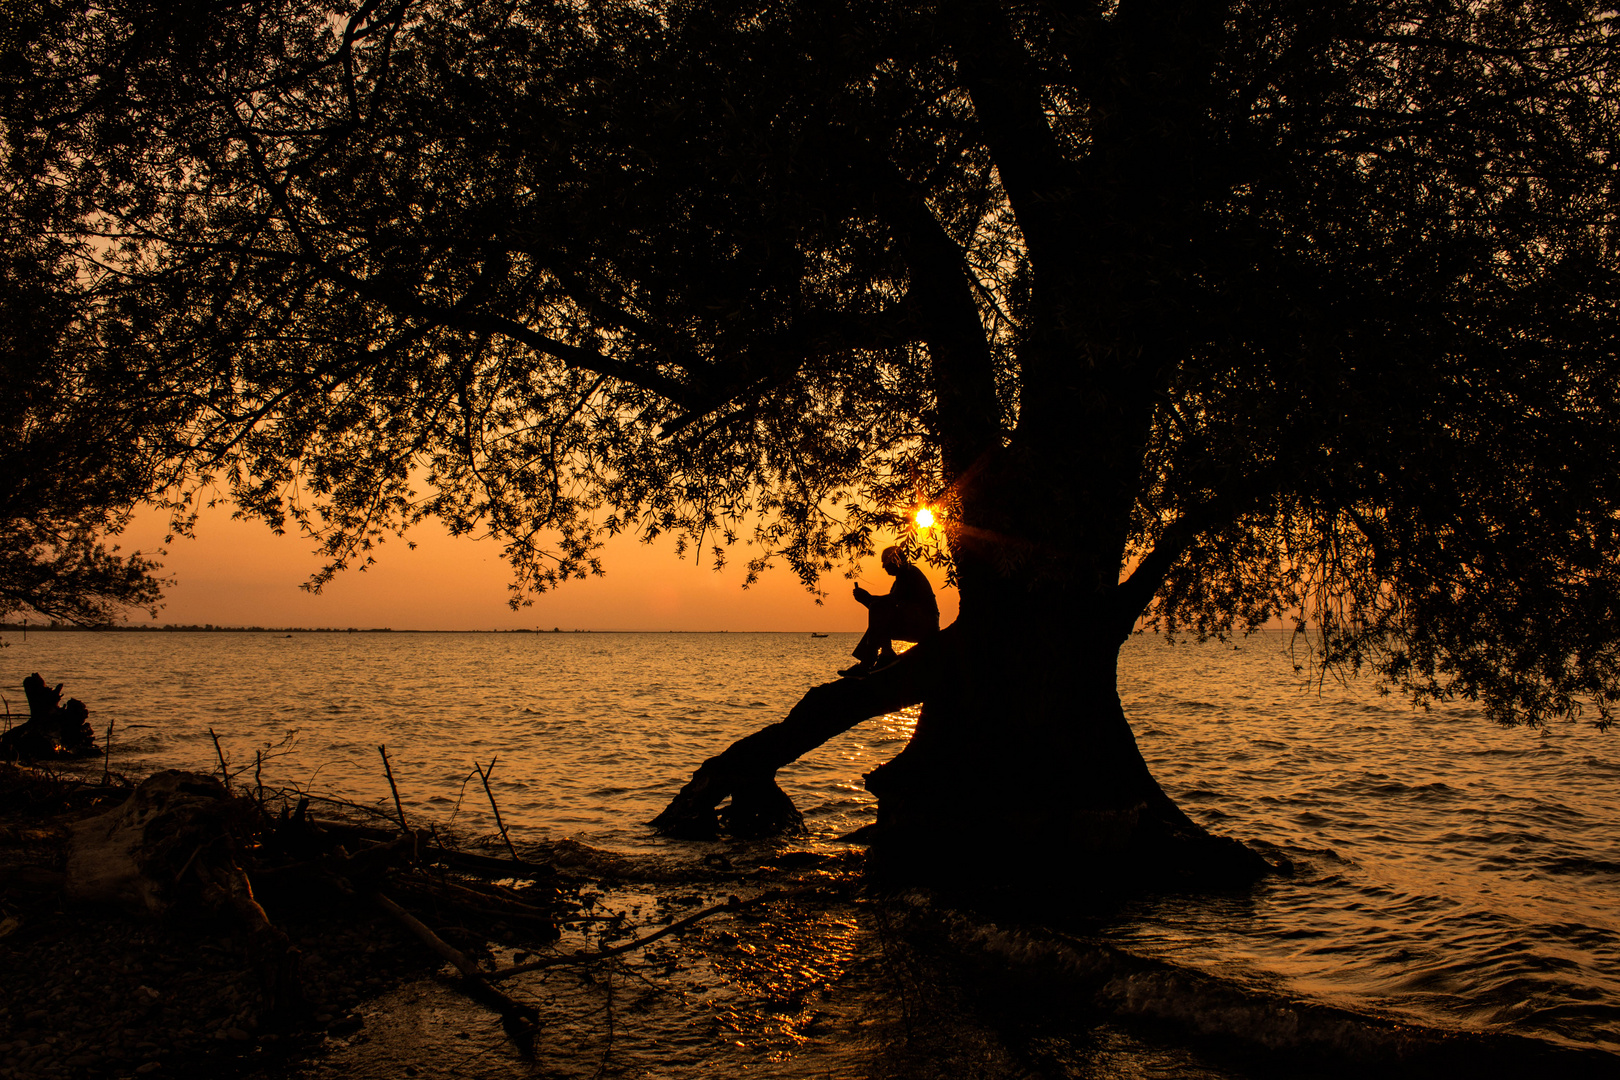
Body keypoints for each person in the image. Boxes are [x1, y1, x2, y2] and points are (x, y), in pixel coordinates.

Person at [839, 546, 939, 677]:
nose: (883, 567)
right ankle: (869, 660)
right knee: (878, 611)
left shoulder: (908, 572)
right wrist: (866, 600)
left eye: (884, 563)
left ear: (894, 560)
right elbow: (882, 613)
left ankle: (878, 657)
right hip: (917, 623)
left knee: (878, 607)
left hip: (924, 623)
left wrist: (869, 598)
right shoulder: (900, 578)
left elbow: (891, 602)